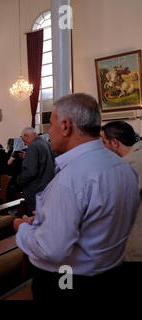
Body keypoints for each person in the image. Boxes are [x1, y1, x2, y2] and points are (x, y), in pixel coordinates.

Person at [14, 93, 140, 300]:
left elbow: (51, 250)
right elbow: (100, 217)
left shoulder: (72, 178)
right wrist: (50, 217)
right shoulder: (122, 167)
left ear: (65, 126)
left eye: (51, 124)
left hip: (70, 280)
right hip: (112, 274)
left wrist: (23, 228)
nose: (49, 131)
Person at [101, 121, 142, 290]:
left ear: (115, 143)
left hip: (135, 247)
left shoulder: (128, 165)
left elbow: (109, 205)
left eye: (103, 142)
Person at [18, 127, 55, 214]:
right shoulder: (47, 144)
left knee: (34, 221)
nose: (25, 144)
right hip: (48, 190)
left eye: (24, 141)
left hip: (35, 192)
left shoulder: (33, 146)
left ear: (27, 136)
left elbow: (30, 172)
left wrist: (19, 179)